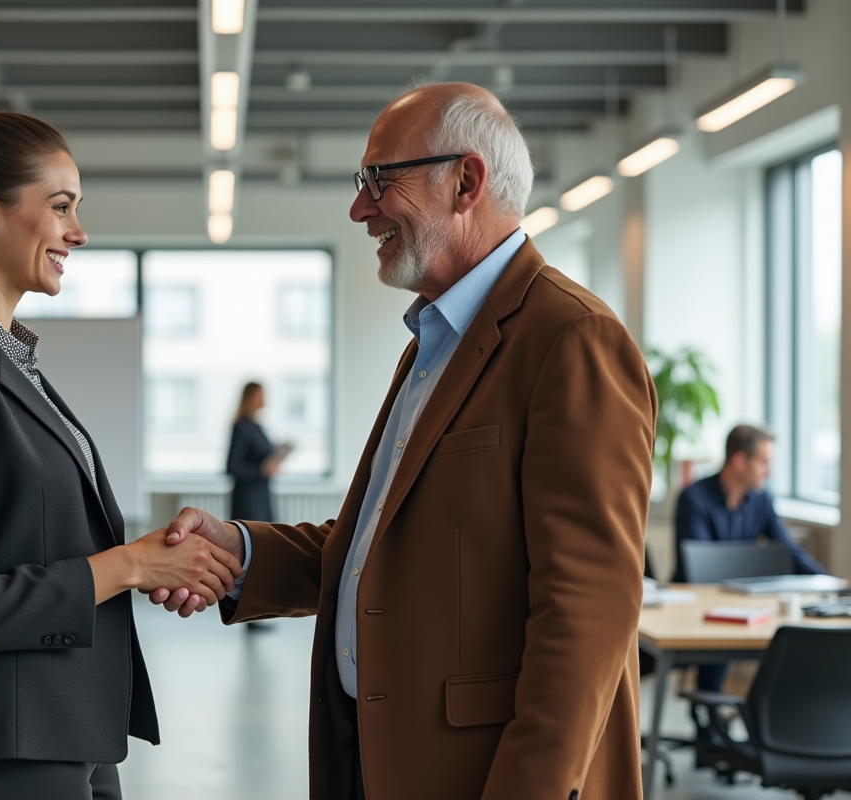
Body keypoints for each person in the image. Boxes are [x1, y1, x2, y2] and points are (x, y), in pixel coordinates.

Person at [151, 83, 656, 799]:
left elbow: (587, 612)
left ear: (466, 181)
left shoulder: (571, 339)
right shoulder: (434, 341)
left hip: (481, 775)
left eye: (378, 180)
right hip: (378, 757)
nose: (360, 209)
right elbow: (381, 547)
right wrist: (243, 553)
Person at [0, 112, 241, 800]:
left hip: (64, 726)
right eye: (60, 207)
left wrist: (146, 562)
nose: (79, 232)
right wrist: (128, 565)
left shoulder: (4, 360)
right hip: (6, 740)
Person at [673, 424, 825, 694]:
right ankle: (709, 719)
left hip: (743, 607)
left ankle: (733, 720)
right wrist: (756, 559)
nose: (769, 471)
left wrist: (827, 581)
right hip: (695, 610)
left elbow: (787, 549)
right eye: (764, 462)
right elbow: (700, 566)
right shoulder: (694, 498)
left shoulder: (761, 499)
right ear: (740, 461)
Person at [227, 382, 287, 523]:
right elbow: (232, 467)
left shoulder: (258, 427)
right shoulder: (241, 427)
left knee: (268, 535)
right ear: (251, 397)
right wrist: (261, 470)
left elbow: (265, 454)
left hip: (263, 495)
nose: (264, 398)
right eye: (260, 395)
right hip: (248, 499)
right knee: (253, 538)